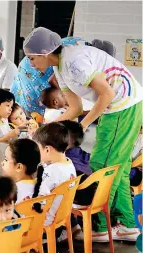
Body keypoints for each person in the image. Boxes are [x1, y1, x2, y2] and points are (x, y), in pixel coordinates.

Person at [24, 27, 143, 241]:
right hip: (121, 105)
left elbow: (108, 93)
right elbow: (75, 108)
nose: (31, 64)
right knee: (119, 167)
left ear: (45, 52)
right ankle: (126, 224)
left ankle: (98, 227)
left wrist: (84, 125)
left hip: (122, 105)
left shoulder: (73, 61)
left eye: (32, 58)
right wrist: (44, 128)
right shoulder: (59, 68)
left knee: (102, 165)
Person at [32, 122, 77, 226]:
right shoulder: (68, 163)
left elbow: (37, 198)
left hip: (44, 222)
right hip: (60, 219)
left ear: (47, 149)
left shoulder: (51, 172)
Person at [0, 139, 40, 203]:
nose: (2, 163)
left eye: (6, 159)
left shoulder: (11, 193)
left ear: (19, 167)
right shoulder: (40, 184)